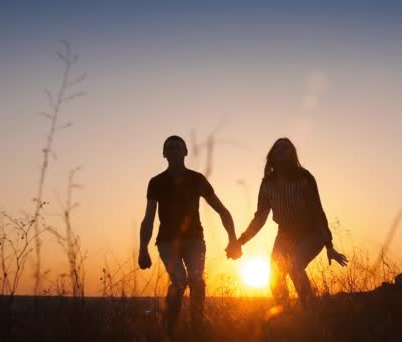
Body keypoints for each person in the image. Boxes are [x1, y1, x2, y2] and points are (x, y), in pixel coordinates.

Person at [138, 135, 242, 336]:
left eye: (178, 146)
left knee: (196, 280)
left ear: (185, 152)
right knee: (179, 280)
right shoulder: (156, 182)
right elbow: (148, 218)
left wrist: (233, 239)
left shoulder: (197, 180)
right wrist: (143, 249)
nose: (174, 149)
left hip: (195, 240)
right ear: (164, 154)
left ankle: (197, 327)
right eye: (169, 147)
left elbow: (222, 210)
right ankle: (170, 328)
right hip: (167, 241)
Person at [236, 137, 348, 307]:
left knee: (295, 268)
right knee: (275, 276)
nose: (282, 149)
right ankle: (284, 314)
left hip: (312, 232)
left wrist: (329, 245)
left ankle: (310, 310)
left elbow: (318, 210)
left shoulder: (304, 177)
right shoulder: (267, 183)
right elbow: (260, 217)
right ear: (272, 154)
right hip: (285, 234)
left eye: (286, 147)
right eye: (278, 147)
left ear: (292, 154)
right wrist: (241, 241)